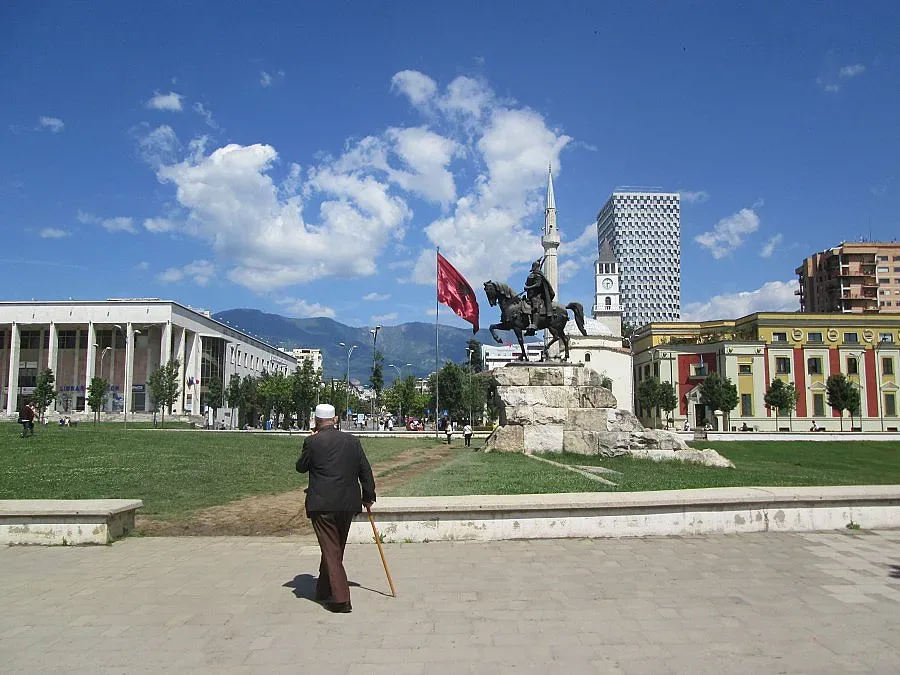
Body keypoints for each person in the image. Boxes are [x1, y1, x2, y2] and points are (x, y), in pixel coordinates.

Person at [296, 403, 376, 614]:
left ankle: (341, 600)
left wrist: (309, 440)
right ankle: (323, 589)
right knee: (334, 548)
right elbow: (365, 470)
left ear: (316, 420)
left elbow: (300, 467)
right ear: (336, 419)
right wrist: (368, 496)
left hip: (322, 505)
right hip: (348, 503)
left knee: (331, 550)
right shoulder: (352, 441)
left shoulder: (312, 442)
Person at [522, 258, 556, 335]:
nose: (533, 267)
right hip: (529, 295)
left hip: (536, 296)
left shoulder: (538, 275)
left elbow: (538, 284)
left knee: (535, 307)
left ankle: (534, 324)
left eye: (534, 266)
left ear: (536, 267)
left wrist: (528, 287)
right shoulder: (532, 275)